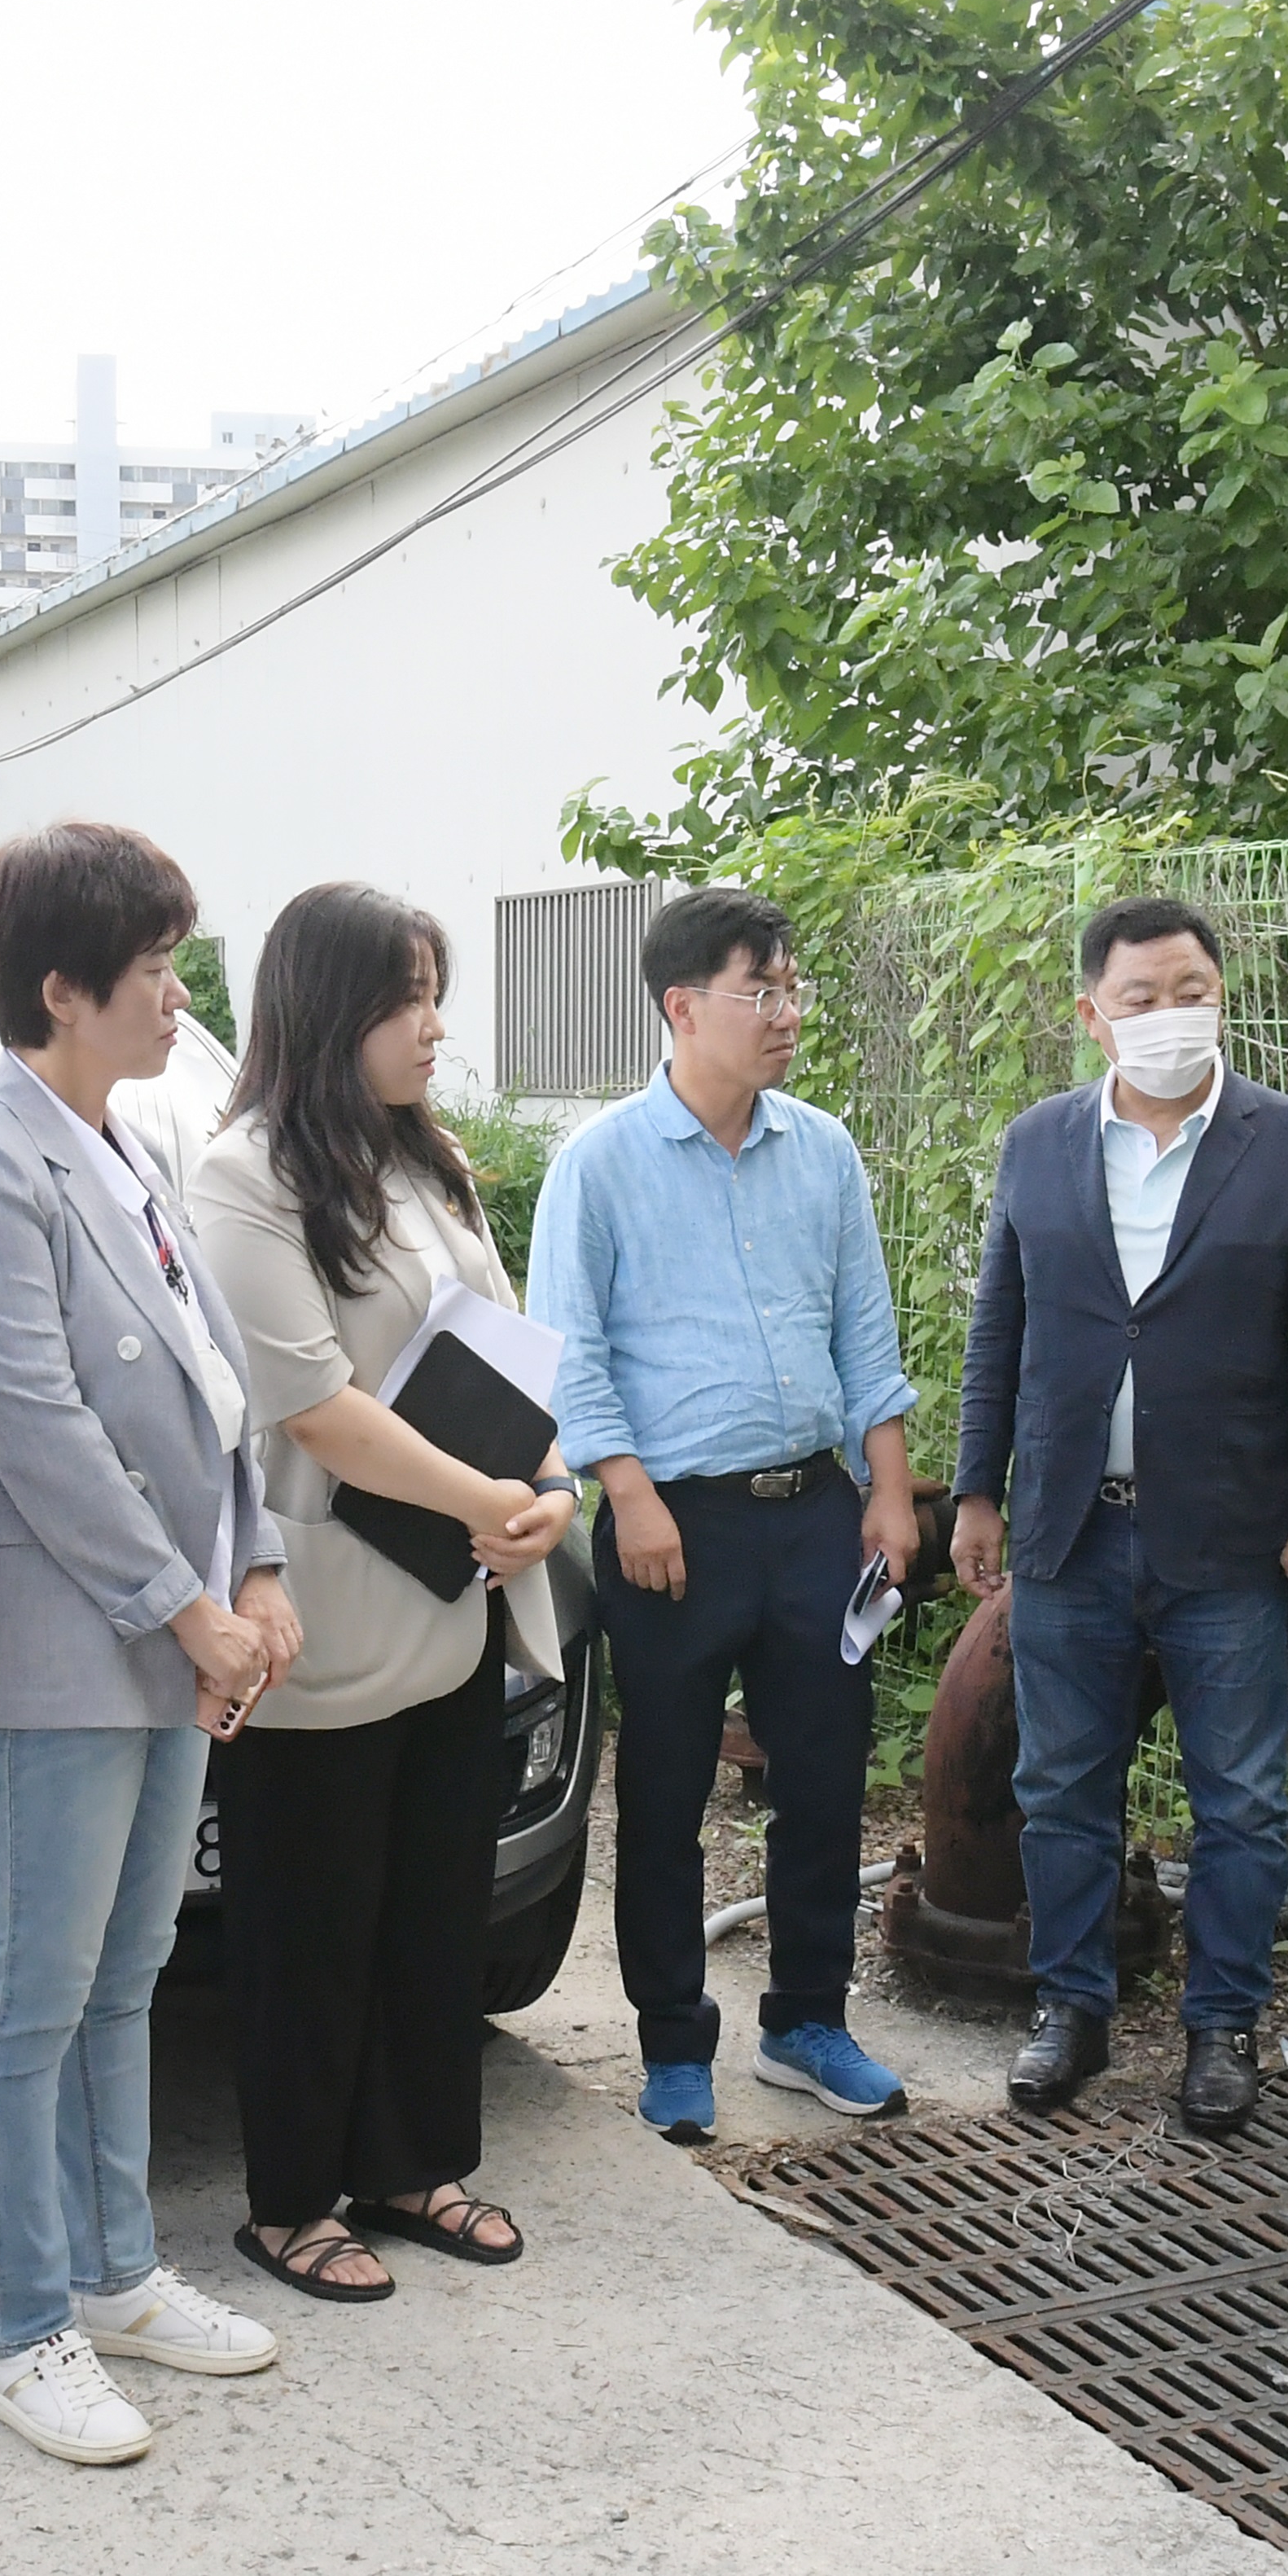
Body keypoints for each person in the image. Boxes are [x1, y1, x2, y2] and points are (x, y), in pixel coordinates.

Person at [0, 820, 296, 2466]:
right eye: (155, 971)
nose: (177, 995)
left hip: (159, 1630)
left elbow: (213, 1388)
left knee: (122, 1971)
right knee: (21, 1993)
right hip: (46, 1638)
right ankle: (13, 2324)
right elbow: (37, 1424)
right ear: (62, 987)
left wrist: (259, 1563)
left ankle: (114, 2268)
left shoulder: (126, 1143)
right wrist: (192, 1605)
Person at [186, 883, 572, 2303]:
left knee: (428, 1903)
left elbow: (505, 1343)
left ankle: (414, 2166)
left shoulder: (433, 1163)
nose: (432, 1025)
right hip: (333, 1612)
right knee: (311, 1916)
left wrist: (549, 1489)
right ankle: (291, 2201)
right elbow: (311, 1406)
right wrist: (485, 1503)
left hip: (457, 1600)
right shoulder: (248, 1173)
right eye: (406, 997)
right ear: (328, 1008)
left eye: (435, 991)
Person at [951, 894, 1288, 2136]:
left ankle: (1222, 2025)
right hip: (1072, 1527)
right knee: (1061, 1783)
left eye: (1192, 988)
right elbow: (1001, 1331)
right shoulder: (1038, 1144)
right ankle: (1071, 2010)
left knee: (1241, 1796)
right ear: (1094, 1018)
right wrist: (979, 1488)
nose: (1171, 1013)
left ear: (1221, 998)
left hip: (1230, 1531)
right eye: (1143, 997)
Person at [527, 885, 922, 2144]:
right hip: (669, 1525)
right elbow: (569, 1352)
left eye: (792, 989)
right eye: (764, 991)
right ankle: (672, 2043)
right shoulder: (599, 1164)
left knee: (823, 1775)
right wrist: (626, 1493)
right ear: (680, 1006)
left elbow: (867, 1328)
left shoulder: (825, 1149)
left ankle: (807, 2022)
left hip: (816, 1513)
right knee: (663, 1789)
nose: (786, 1013)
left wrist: (893, 1489)